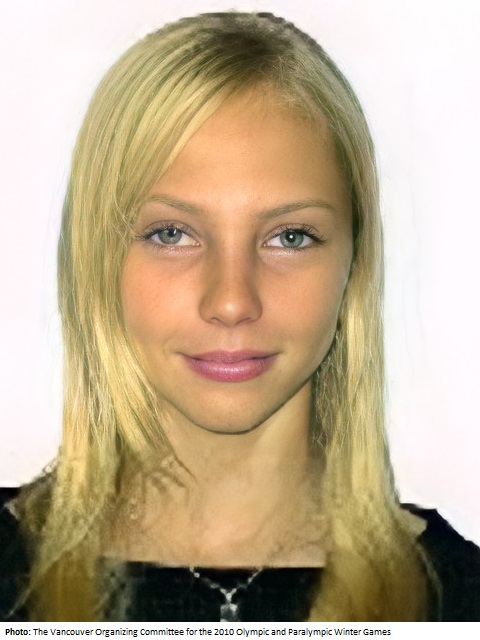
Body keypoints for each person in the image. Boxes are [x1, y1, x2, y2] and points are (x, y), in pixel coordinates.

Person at [0, 11, 479, 623]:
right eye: (172, 234)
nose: (231, 302)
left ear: (354, 266)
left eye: (290, 237)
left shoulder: (456, 601)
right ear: (96, 259)